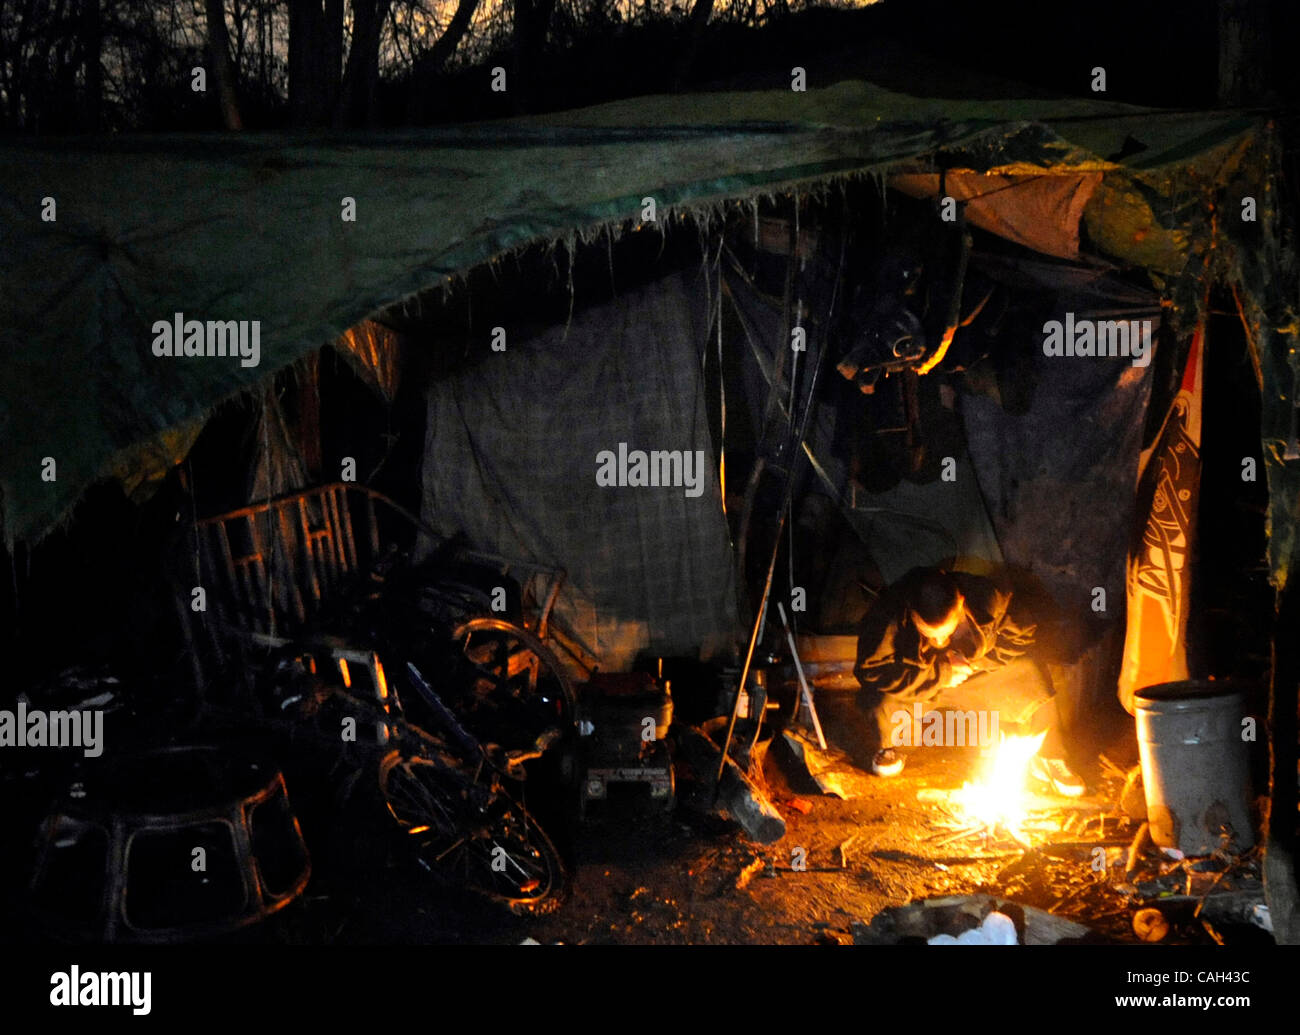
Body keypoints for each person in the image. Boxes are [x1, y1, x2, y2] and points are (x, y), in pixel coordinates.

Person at [853, 566, 1085, 796]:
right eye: (930, 634)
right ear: (911, 611)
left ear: (961, 601)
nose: (941, 639)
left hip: (974, 675)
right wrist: (942, 674)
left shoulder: (989, 599)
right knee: (882, 697)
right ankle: (895, 744)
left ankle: (1050, 755)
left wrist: (974, 664)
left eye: (947, 630)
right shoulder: (887, 613)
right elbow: (871, 670)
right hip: (923, 683)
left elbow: (1022, 637)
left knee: (1032, 674)